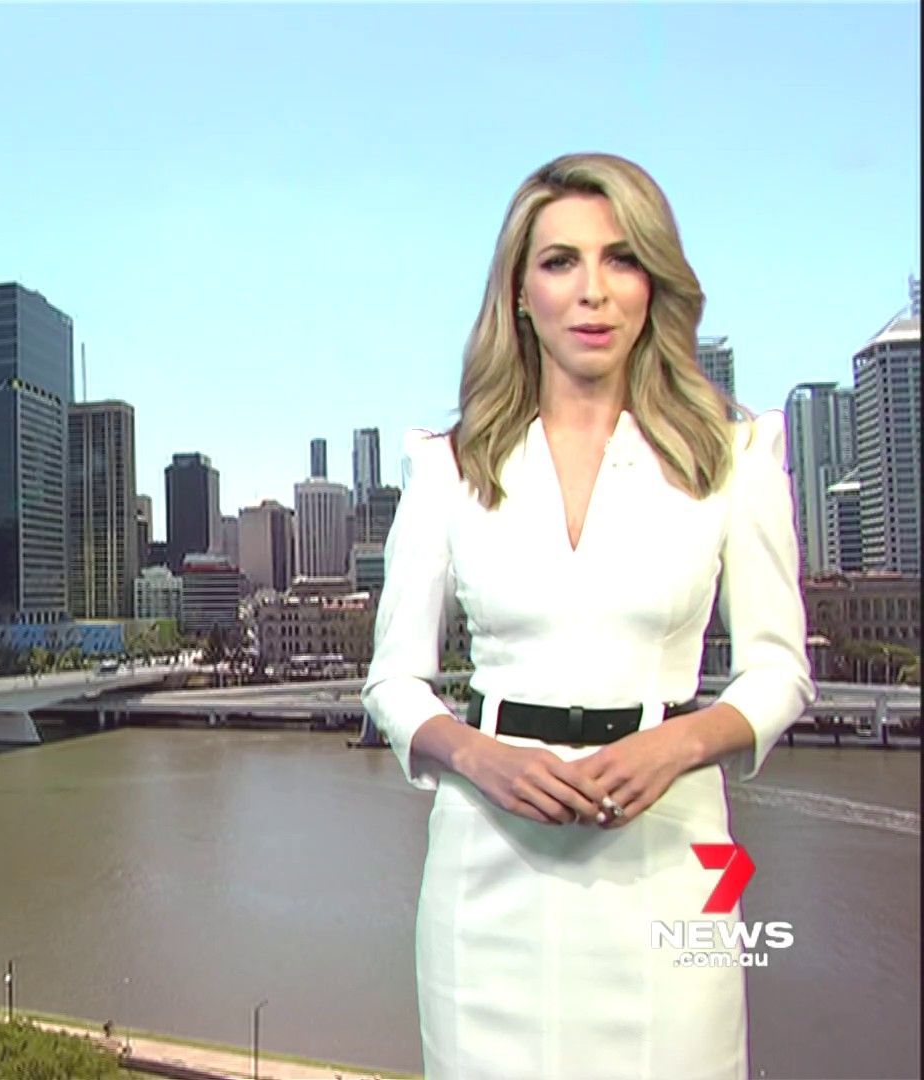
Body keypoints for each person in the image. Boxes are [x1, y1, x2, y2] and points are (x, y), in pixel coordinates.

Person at [362, 153, 814, 1080]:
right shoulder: (448, 467)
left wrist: (679, 746)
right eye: (560, 261)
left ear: (655, 286)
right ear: (520, 295)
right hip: (486, 871)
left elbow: (780, 672)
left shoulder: (733, 460)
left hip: (673, 855)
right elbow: (393, 682)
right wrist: (478, 756)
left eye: (622, 259)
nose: (593, 291)